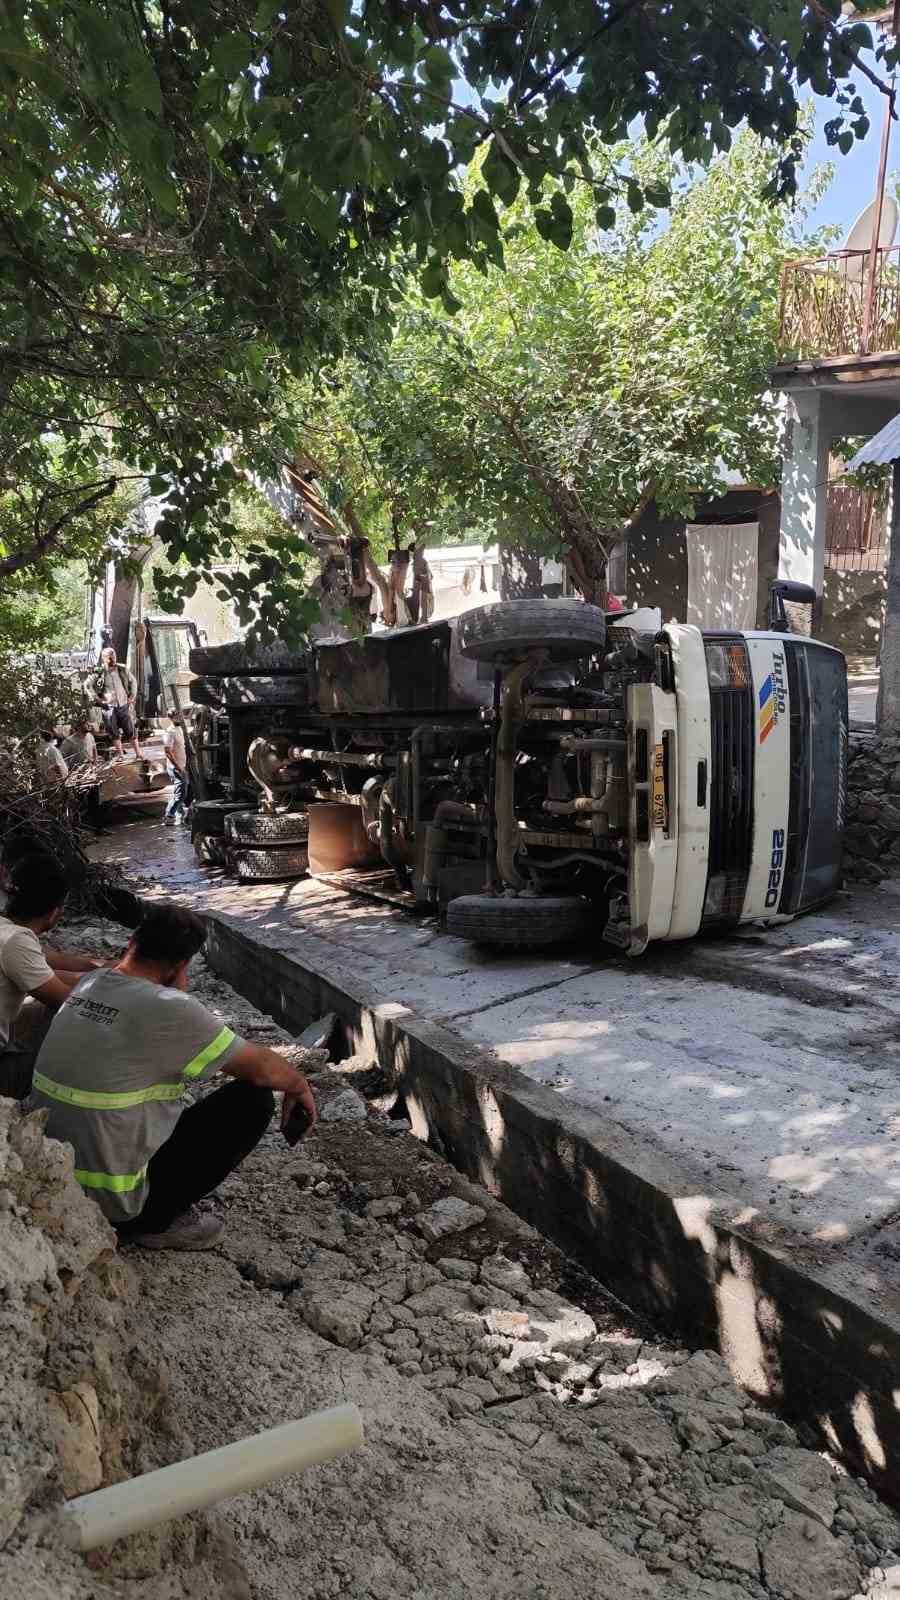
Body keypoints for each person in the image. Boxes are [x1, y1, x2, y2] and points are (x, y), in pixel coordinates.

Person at [30, 904, 317, 1250]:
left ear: (132, 941)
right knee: (251, 1100)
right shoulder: (172, 1009)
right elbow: (263, 1068)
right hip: (117, 1207)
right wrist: (299, 1085)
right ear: (182, 965)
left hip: (55, 1181)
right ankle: (156, 1224)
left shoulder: (90, 984)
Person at [0, 858, 84, 1099]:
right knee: (65, 1010)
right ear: (55, 910)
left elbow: (59, 966)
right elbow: (67, 1000)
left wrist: (108, 971)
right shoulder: (17, 941)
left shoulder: (6, 930)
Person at [92, 647, 141, 761]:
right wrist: (98, 700)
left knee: (130, 730)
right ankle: (120, 755)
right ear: (104, 658)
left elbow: (133, 681)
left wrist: (132, 696)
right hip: (109, 707)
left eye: (113, 656)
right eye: (109, 657)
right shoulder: (99, 672)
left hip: (123, 704)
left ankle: (138, 753)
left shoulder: (122, 669)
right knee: (113, 731)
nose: (112, 659)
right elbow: (91, 687)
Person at [163, 714, 189, 827]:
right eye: (177, 717)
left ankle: (179, 814)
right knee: (181, 794)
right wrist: (178, 767)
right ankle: (169, 815)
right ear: (171, 718)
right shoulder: (170, 732)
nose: (180, 718)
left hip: (182, 765)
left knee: (181, 792)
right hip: (176, 767)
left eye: (180, 716)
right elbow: (168, 752)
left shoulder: (180, 729)